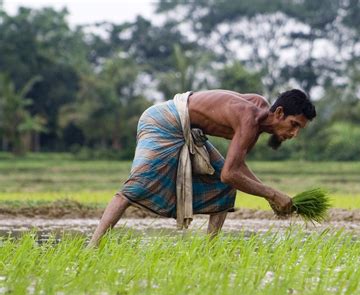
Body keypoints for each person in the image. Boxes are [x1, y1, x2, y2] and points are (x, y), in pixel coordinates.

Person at [89, 89, 316, 246]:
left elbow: (235, 168)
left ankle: (210, 250)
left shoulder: (258, 107)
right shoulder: (249, 119)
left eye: (299, 129)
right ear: (278, 113)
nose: (294, 134)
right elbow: (231, 173)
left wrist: (269, 196)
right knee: (136, 187)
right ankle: (92, 247)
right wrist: (273, 194)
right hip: (163, 121)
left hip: (188, 129)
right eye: (293, 125)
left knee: (224, 185)